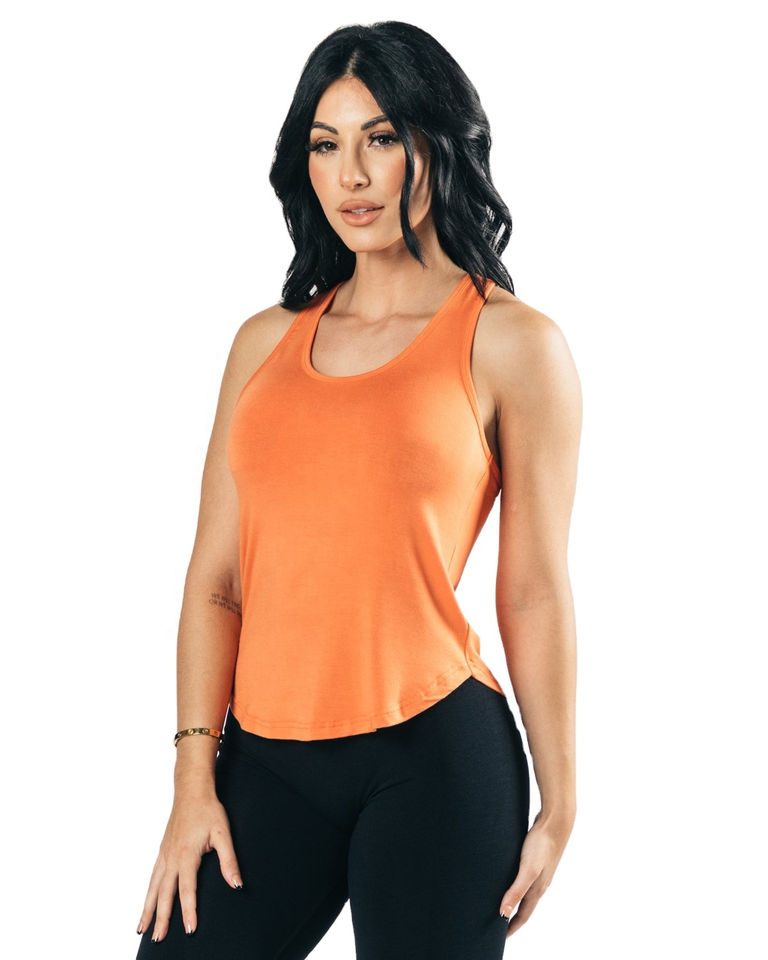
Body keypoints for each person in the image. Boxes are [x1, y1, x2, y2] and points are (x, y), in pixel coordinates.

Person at [135, 19, 581, 960]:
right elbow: (216, 583)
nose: (352, 176)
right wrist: (191, 780)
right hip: (264, 762)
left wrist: (562, 797)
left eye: (381, 138)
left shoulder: (513, 343)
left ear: (436, 142)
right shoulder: (264, 344)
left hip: (437, 758)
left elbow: (533, 588)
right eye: (325, 145)